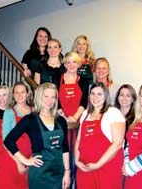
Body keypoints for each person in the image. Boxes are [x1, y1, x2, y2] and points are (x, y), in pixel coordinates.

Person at [4, 83, 71, 189]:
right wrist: (25, 160)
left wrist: (67, 172)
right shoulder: (30, 120)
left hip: (58, 173)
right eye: (46, 96)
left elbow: (65, 148)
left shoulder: (61, 120)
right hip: (39, 174)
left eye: (53, 97)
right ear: (39, 97)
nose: (50, 100)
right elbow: (8, 140)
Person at [75, 82, 125, 189]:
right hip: (85, 168)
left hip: (107, 169)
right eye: (92, 94)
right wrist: (77, 161)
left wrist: (98, 164)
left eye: (99, 94)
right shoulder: (85, 114)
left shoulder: (113, 113)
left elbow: (117, 144)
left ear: (106, 96)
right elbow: (79, 140)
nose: (95, 97)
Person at [58, 51, 89, 188]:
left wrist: (74, 117)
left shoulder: (83, 80)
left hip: (77, 124)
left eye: (74, 62)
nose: (71, 65)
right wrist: (63, 117)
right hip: (60, 122)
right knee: (61, 161)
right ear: (64, 64)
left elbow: (84, 102)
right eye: (68, 62)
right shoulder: (57, 78)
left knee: (76, 160)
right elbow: (55, 101)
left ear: (79, 64)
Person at [0, 81, 33, 189]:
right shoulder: (9, 113)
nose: (19, 95)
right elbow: (5, 142)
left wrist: (31, 159)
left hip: (30, 159)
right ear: (13, 95)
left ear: (28, 94)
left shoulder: (34, 111)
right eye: (16, 92)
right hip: (13, 160)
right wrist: (19, 162)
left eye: (22, 92)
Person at [114, 84, 137, 148]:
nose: (124, 98)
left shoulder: (137, 118)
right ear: (117, 97)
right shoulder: (111, 116)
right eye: (121, 95)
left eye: (128, 96)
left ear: (133, 99)